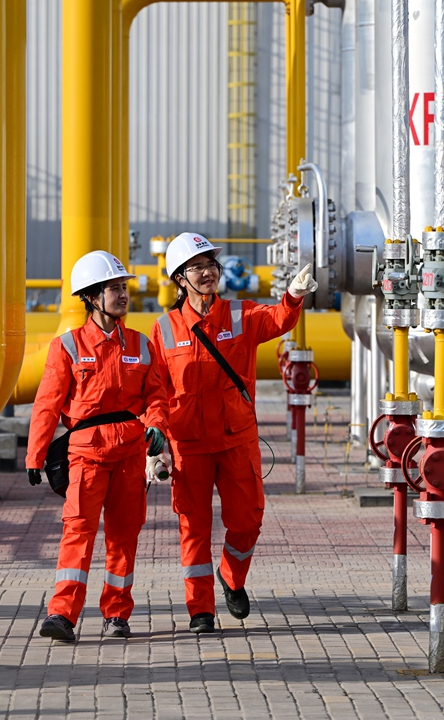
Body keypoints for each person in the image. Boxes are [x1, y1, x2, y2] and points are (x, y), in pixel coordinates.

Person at [149, 232, 318, 634]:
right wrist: (154, 436)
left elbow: (279, 318)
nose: (208, 273)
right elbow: (155, 389)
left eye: (212, 265)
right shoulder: (165, 329)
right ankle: (200, 610)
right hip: (187, 444)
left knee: (247, 520)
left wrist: (293, 296)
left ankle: (231, 576)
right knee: (194, 528)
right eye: (197, 267)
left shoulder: (240, 315)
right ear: (179, 278)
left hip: (236, 438)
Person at [26, 250, 169, 643]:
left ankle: (117, 616)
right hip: (85, 456)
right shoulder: (67, 346)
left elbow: (156, 396)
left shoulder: (141, 345)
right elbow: (47, 403)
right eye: (114, 288)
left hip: (129, 452)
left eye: (124, 287)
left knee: (124, 536)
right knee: (78, 532)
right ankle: (62, 615)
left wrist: (155, 426)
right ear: (91, 296)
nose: (123, 294)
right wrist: (35, 455)